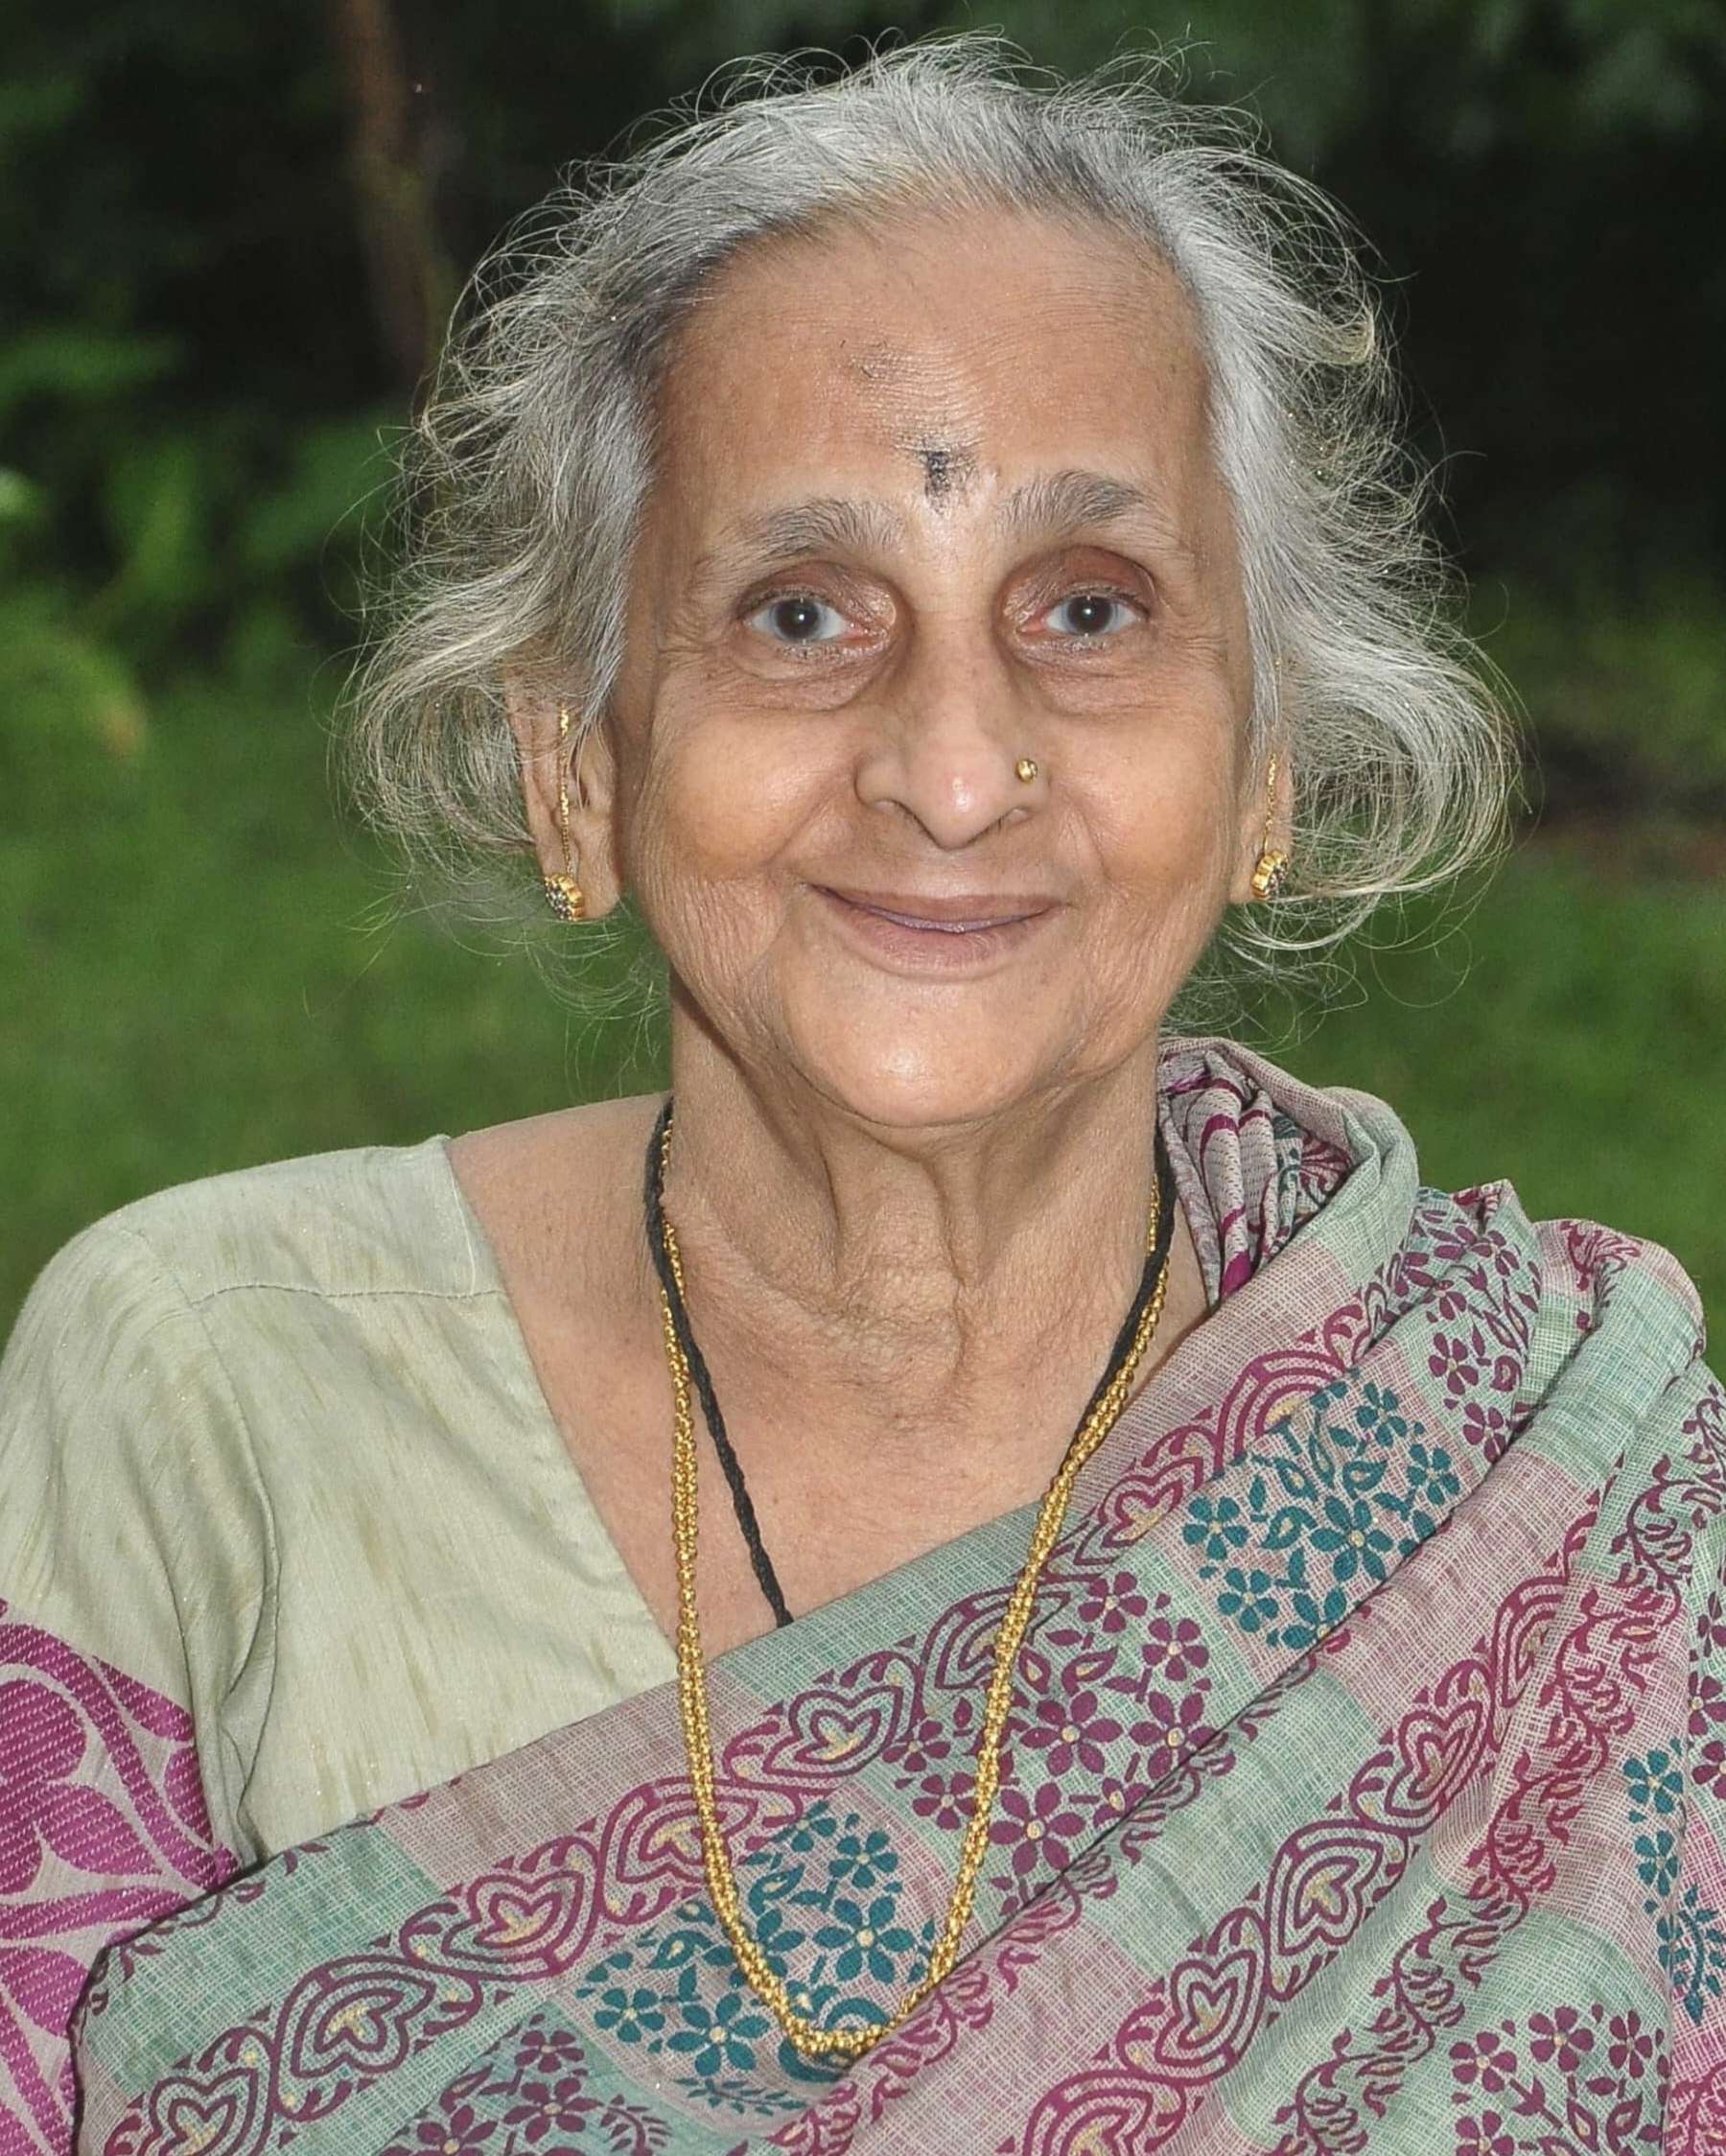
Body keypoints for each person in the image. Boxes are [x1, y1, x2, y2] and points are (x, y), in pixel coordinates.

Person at [3, 36, 1721, 2156]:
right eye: (802, 612)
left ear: (1265, 764)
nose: (955, 769)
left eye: (1087, 608)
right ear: (578, 765)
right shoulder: (218, 1402)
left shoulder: (1546, 1491)